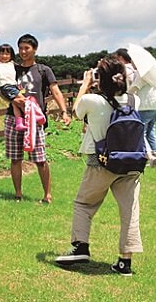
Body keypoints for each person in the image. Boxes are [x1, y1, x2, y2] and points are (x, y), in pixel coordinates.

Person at [55, 56, 144, 275]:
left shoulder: (92, 101)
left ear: (100, 79)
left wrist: (85, 85)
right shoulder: (134, 101)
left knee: (84, 204)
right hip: (131, 164)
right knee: (129, 212)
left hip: (102, 162)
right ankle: (125, 262)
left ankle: (80, 246)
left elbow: (76, 112)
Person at [5, 34, 71, 203]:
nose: (23, 51)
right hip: (14, 118)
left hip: (35, 119)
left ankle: (47, 194)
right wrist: (12, 99)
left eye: (27, 48)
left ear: (35, 49)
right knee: (15, 158)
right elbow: (3, 88)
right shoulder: (13, 70)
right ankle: (18, 193)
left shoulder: (44, 70)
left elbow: (55, 91)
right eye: (20, 48)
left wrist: (64, 111)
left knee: (40, 159)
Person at [114, 48, 156, 167]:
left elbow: (134, 89)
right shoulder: (150, 73)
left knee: (141, 132)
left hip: (143, 107)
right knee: (151, 131)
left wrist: (122, 95)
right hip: (154, 106)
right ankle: (155, 153)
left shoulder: (142, 74)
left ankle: (149, 156)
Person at [0, 34, 26, 130]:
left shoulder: (12, 64)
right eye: (2, 53)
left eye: (7, 54)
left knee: (16, 104)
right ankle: (31, 117)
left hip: (14, 86)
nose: (4, 56)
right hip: (6, 87)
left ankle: (19, 123)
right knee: (24, 101)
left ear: (11, 55)